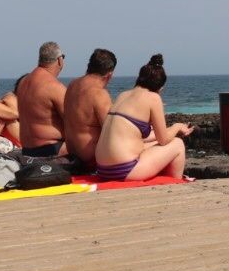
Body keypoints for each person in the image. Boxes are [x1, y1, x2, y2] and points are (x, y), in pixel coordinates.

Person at [93, 53, 195, 182]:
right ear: (160, 88)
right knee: (177, 144)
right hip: (123, 170)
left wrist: (170, 131)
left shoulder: (123, 95)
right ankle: (174, 184)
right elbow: (163, 140)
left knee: (154, 143)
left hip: (103, 170)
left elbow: (143, 137)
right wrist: (177, 127)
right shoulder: (153, 98)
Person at [63, 48, 118, 171]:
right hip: (91, 161)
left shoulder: (72, 85)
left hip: (73, 156)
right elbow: (112, 133)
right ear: (109, 75)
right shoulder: (99, 94)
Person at [14, 41, 67, 158]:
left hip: (27, 150)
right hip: (51, 150)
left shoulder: (23, 82)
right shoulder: (54, 86)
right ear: (59, 60)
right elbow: (74, 123)